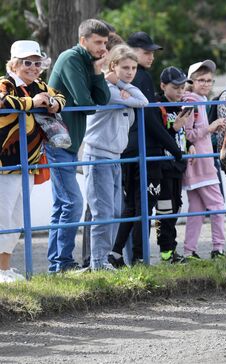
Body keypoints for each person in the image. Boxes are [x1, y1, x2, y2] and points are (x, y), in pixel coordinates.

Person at [108, 32, 183, 267]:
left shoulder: (134, 78)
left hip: (130, 149)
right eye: (146, 52)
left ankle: (117, 253)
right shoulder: (142, 78)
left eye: (152, 52)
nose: (151, 57)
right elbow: (149, 117)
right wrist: (174, 147)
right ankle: (140, 258)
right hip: (144, 151)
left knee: (134, 206)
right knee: (145, 207)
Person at [47, 19, 111, 273]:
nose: (103, 48)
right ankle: (61, 263)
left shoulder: (89, 63)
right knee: (72, 202)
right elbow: (87, 102)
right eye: (98, 42)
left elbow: (103, 99)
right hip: (56, 141)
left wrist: (97, 70)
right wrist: (95, 75)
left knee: (62, 204)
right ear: (83, 40)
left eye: (105, 43)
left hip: (70, 144)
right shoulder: (71, 58)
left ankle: (57, 264)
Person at [0, 40, 65, 282]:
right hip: (5, 163)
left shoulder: (39, 85)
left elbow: (60, 97)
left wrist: (54, 103)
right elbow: (3, 102)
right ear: (14, 64)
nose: (33, 67)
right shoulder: (5, 83)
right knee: (3, 215)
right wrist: (33, 103)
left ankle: (5, 267)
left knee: (16, 217)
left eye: (37, 63)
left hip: (28, 161)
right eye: (27, 62)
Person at [82, 45, 148, 271]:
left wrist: (122, 84)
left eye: (134, 68)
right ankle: (98, 263)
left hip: (114, 157)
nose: (130, 72)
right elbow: (141, 102)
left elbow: (142, 99)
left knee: (115, 212)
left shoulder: (121, 88)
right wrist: (120, 87)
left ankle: (100, 261)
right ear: (113, 67)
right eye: (125, 68)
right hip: (99, 156)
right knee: (104, 212)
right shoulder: (107, 90)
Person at [182, 60, 226, 259]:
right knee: (218, 206)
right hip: (201, 165)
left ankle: (189, 251)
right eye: (201, 80)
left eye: (209, 80)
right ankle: (218, 248)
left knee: (197, 210)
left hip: (200, 163)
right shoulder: (192, 102)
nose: (206, 84)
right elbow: (188, 134)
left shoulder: (197, 100)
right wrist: (211, 127)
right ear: (192, 81)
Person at [156, 66, 195, 263]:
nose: (180, 91)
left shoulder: (182, 106)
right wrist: (174, 127)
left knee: (176, 206)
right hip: (163, 166)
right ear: (163, 86)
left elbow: (182, 134)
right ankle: (166, 251)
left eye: (182, 87)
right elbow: (162, 135)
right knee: (165, 209)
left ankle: (172, 249)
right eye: (175, 87)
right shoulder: (158, 106)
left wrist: (190, 144)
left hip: (178, 166)